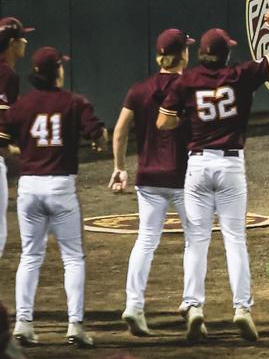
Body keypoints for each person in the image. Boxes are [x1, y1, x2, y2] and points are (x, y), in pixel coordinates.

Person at [156, 11, 269, 342]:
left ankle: (193, 306)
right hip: (231, 166)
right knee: (235, 240)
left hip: (198, 166)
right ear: (225, 53)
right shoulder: (240, 74)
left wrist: (190, 119)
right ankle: (242, 308)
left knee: (197, 240)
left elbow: (163, 123)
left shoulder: (185, 80)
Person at [2, 46, 108, 348]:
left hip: (29, 187)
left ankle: (24, 323)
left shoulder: (20, 106)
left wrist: (24, 151)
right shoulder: (74, 102)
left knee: (30, 255)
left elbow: (2, 141)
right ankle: (75, 325)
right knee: (73, 257)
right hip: (61, 187)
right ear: (57, 72)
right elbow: (97, 134)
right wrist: (99, 141)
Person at [110, 29, 195, 337]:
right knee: (194, 241)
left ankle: (133, 305)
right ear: (183, 55)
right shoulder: (190, 86)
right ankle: (190, 303)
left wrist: (120, 168)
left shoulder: (139, 88)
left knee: (146, 241)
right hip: (184, 177)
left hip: (148, 177)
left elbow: (119, 131)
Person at [0, 17, 33, 261]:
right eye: (22, 37)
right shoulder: (7, 74)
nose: (26, 41)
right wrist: (7, 147)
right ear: (12, 43)